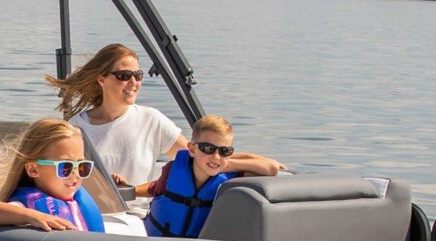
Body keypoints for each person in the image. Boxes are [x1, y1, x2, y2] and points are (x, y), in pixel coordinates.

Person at [48, 43, 285, 193]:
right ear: (102, 80)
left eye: (138, 75)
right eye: (124, 75)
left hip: (139, 215)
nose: (133, 83)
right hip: (93, 216)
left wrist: (257, 160)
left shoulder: (151, 120)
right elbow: (62, 177)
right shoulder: (76, 128)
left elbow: (198, 156)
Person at [0, 118, 105, 232]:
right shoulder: (26, 207)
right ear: (33, 169)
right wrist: (33, 216)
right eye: (65, 167)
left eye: (82, 166)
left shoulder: (79, 201)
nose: (76, 174)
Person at [137, 113, 248, 238]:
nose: (216, 156)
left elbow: (271, 167)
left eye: (225, 151)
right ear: (192, 149)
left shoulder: (229, 180)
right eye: (207, 148)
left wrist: (226, 163)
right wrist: (126, 191)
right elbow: (157, 188)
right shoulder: (172, 170)